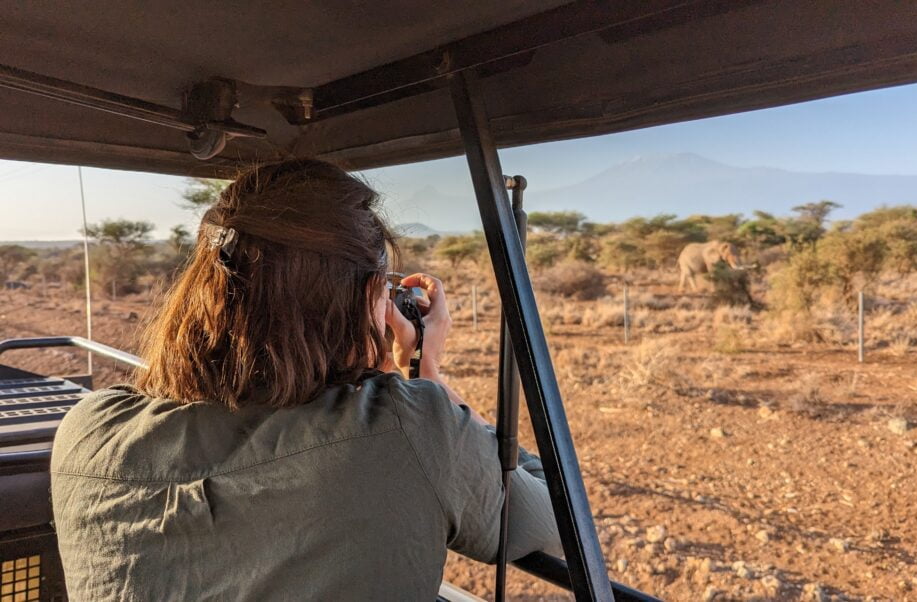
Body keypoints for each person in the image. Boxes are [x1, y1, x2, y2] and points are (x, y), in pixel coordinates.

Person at [50, 159, 561, 600]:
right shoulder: (409, 425)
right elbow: (551, 514)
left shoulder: (89, 428)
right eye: (383, 290)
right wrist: (425, 373)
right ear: (365, 300)